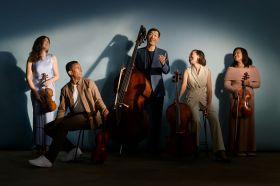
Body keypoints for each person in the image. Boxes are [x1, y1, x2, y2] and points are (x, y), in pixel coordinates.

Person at [28, 61, 109, 167]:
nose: (81, 70)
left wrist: (104, 111)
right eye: (77, 68)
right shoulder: (65, 89)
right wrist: (57, 122)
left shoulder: (89, 83)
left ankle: (49, 159)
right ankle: (72, 150)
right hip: (75, 117)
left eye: (80, 67)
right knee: (49, 127)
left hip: (89, 116)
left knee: (63, 125)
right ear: (70, 72)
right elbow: (62, 109)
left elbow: (98, 100)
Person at [179, 49, 229, 162]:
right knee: (196, 121)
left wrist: (208, 104)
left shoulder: (207, 71)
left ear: (199, 57)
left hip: (205, 97)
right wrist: (177, 98)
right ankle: (195, 149)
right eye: (190, 55)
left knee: (214, 119)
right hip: (191, 96)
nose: (190, 56)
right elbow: (183, 86)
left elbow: (210, 90)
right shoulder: (187, 70)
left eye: (192, 54)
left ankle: (220, 150)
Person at [135, 27, 170, 153]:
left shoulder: (163, 52)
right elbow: (135, 70)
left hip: (157, 90)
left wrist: (163, 64)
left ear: (158, 39)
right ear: (147, 37)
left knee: (156, 119)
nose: (153, 36)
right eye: (151, 34)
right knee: (141, 118)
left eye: (156, 35)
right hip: (141, 91)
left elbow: (166, 71)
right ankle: (139, 145)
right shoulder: (138, 52)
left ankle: (154, 146)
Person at [224, 47, 261, 156]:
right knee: (236, 121)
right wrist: (234, 90)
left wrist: (249, 83)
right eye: (234, 53)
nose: (235, 54)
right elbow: (226, 84)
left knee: (248, 122)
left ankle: (250, 148)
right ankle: (237, 149)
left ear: (244, 54)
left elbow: (258, 84)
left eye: (238, 52)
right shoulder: (231, 69)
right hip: (236, 97)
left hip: (248, 98)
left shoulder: (252, 68)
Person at [26, 36, 59, 153]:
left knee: (48, 118)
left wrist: (48, 81)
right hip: (37, 91)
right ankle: (39, 145)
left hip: (49, 91)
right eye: (44, 41)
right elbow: (29, 77)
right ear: (38, 44)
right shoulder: (31, 58)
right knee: (38, 117)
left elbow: (57, 75)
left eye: (48, 41)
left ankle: (48, 145)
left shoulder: (52, 57)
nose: (46, 43)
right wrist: (35, 93)